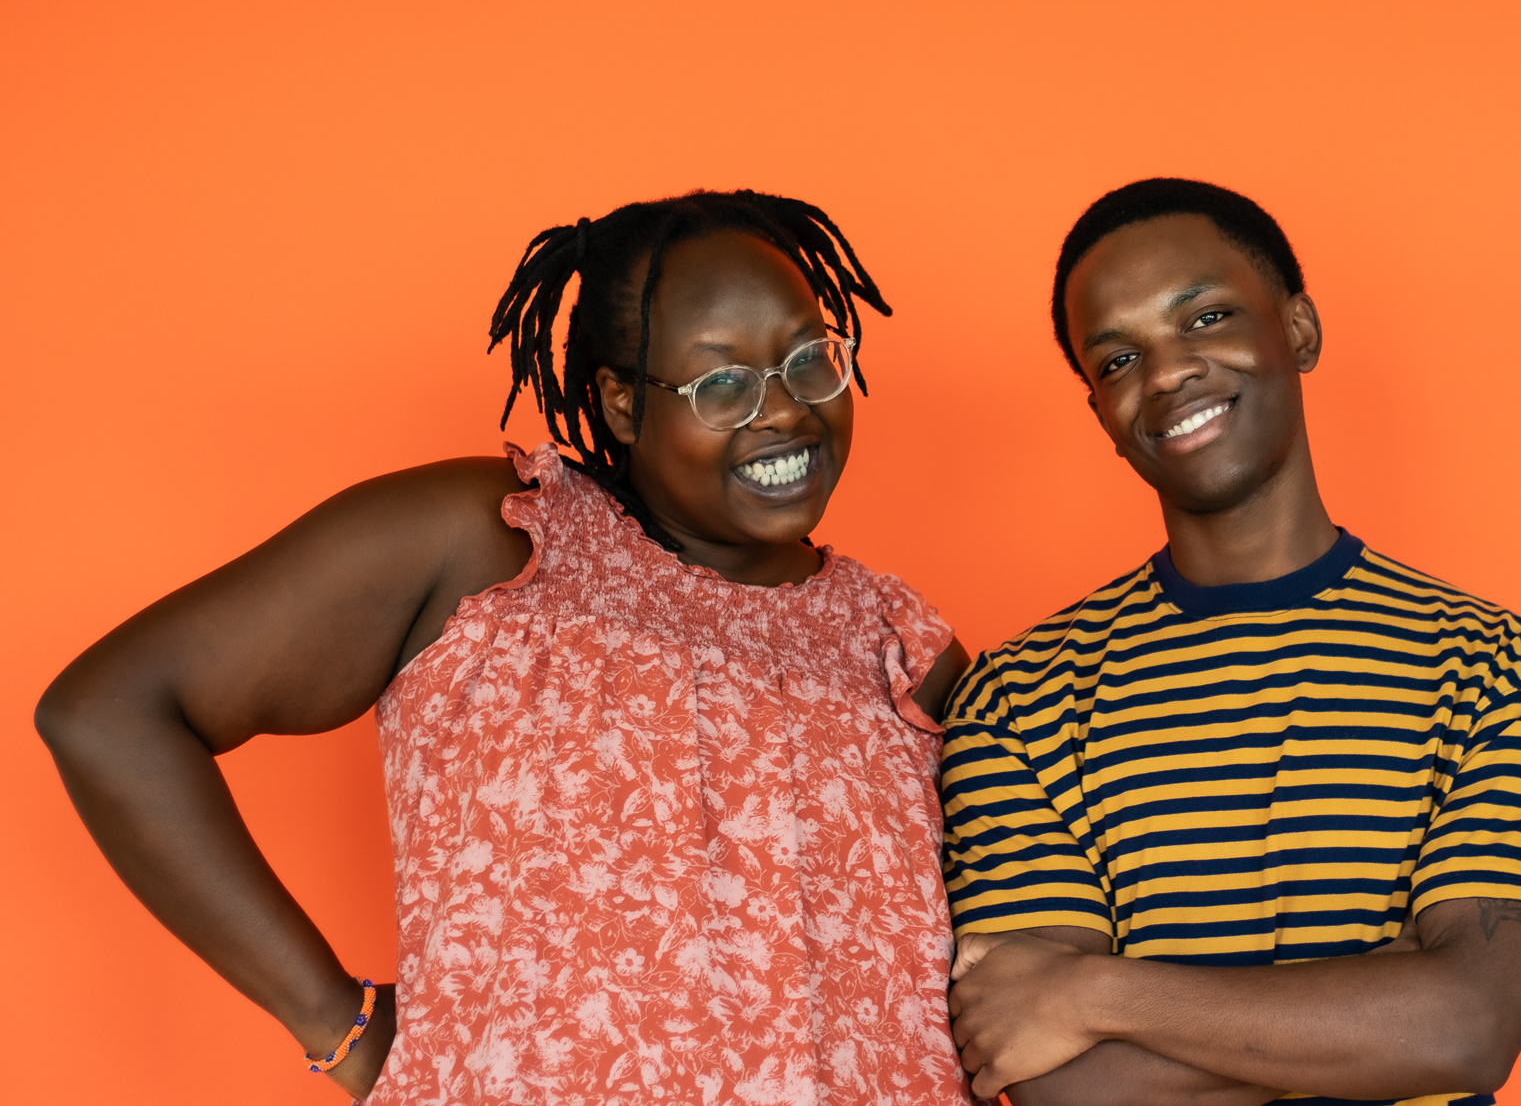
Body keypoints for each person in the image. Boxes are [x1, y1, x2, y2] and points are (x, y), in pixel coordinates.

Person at [36, 191, 975, 1106]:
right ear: (619, 402)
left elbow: (1010, 947)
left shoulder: (906, 653)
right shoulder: (493, 547)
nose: (785, 411)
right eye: (721, 382)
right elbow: (107, 711)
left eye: (808, 360)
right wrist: (335, 1019)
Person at [940, 178, 1521, 1106]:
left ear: (1298, 329)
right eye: (1120, 357)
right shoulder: (1018, 700)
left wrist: (1094, 992)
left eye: (1206, 318)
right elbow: (1064, 1087)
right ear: (1100, 411)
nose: (1166, 373)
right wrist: (1378, 1012)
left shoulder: (1501, 671)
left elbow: (1466, 1028)